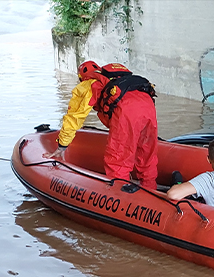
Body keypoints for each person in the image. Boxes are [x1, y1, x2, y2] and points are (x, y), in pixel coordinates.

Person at [46, 61, 159, 190]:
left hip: (127, 111)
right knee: (146, 153)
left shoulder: (89, 84)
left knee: (117, 159)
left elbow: (74, 116)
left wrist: (62, 146)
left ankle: (120, 195)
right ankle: (151, 189)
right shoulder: (114, 78)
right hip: (148, 106)